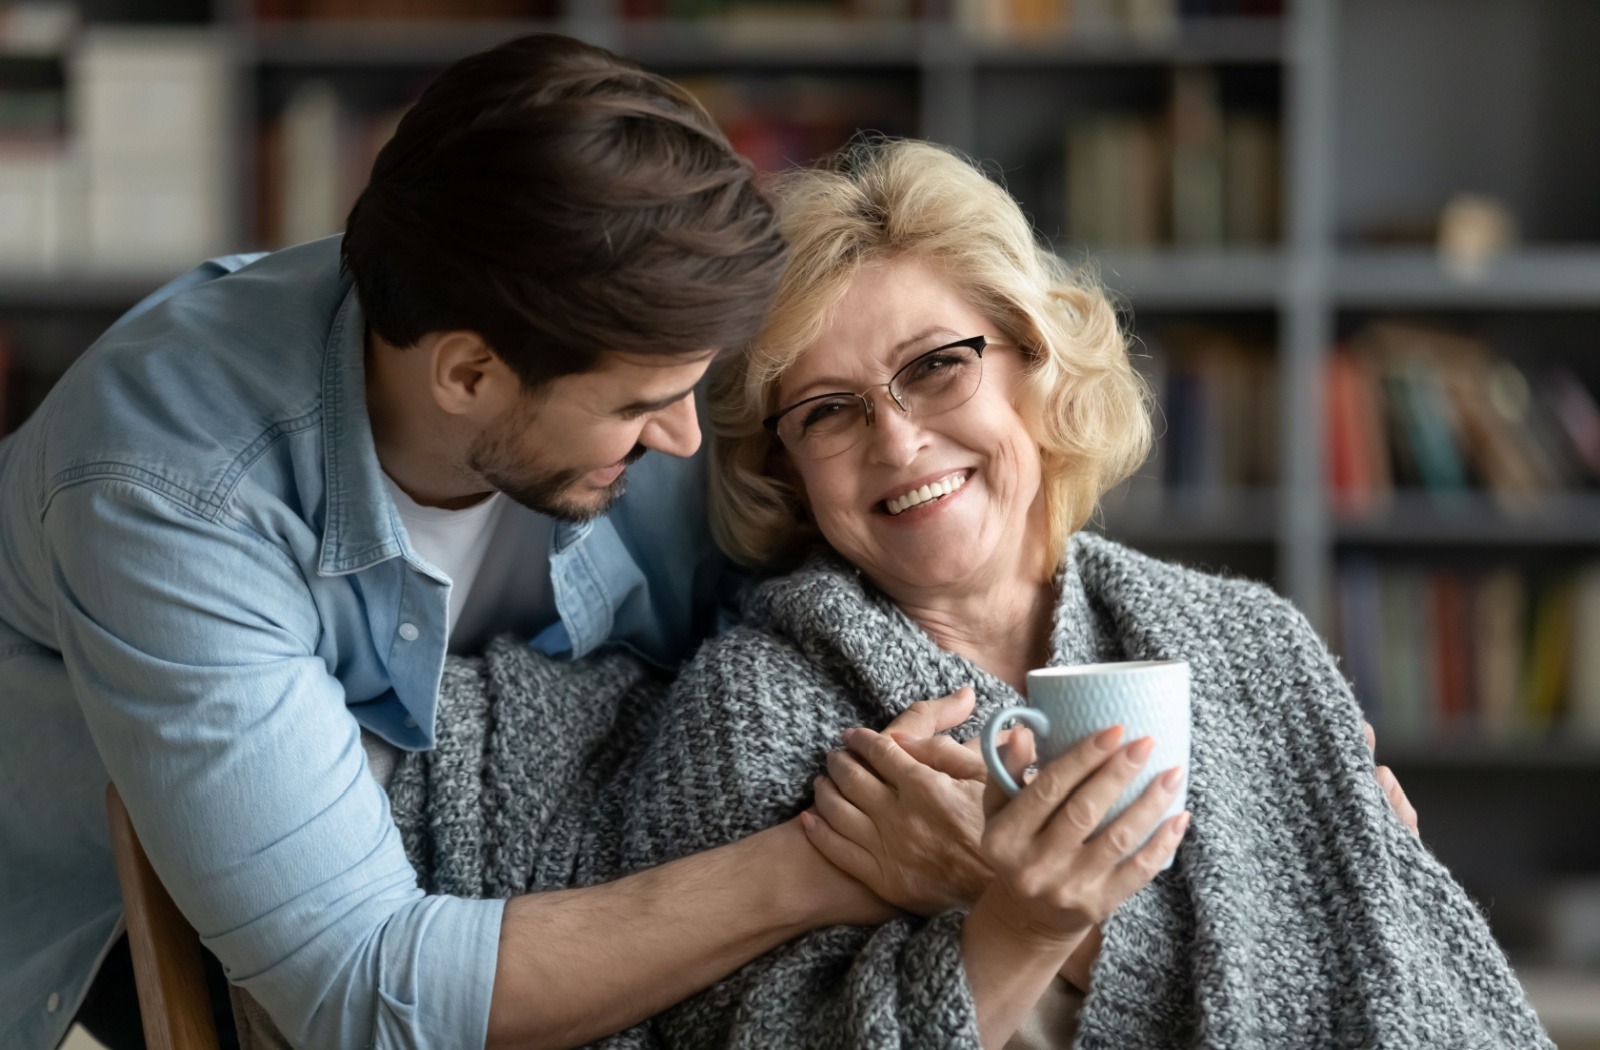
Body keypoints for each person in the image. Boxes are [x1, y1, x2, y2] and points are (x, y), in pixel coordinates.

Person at [390, 138, 1510, 1050]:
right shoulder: (754, 714)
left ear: (1037, 359)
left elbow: (1415, 988)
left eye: (937, 365)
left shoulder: (1248, 644)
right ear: (784, 471)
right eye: (827, 409)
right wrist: (1019, 928)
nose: (897, 438)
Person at [0, 35, 974, 1050]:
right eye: (644, 405)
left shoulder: (620, 336)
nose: (689, 438)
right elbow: (364, 995)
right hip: (142, 968)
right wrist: (827, 864)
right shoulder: (170, 494)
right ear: (467, 376)